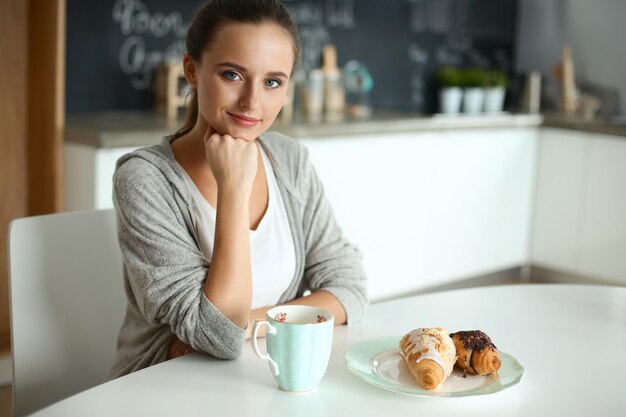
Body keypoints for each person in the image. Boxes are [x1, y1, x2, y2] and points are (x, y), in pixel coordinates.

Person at [109, 0, 368, 379]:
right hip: (167, 384)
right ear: (192, 70)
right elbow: (219, 337)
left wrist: (248, 326)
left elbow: (350, 287)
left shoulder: (289, 160)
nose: (252, 101)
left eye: (272, 82)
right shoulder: (144, 180)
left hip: (263, 375)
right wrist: (233, 187)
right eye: (232, 75)